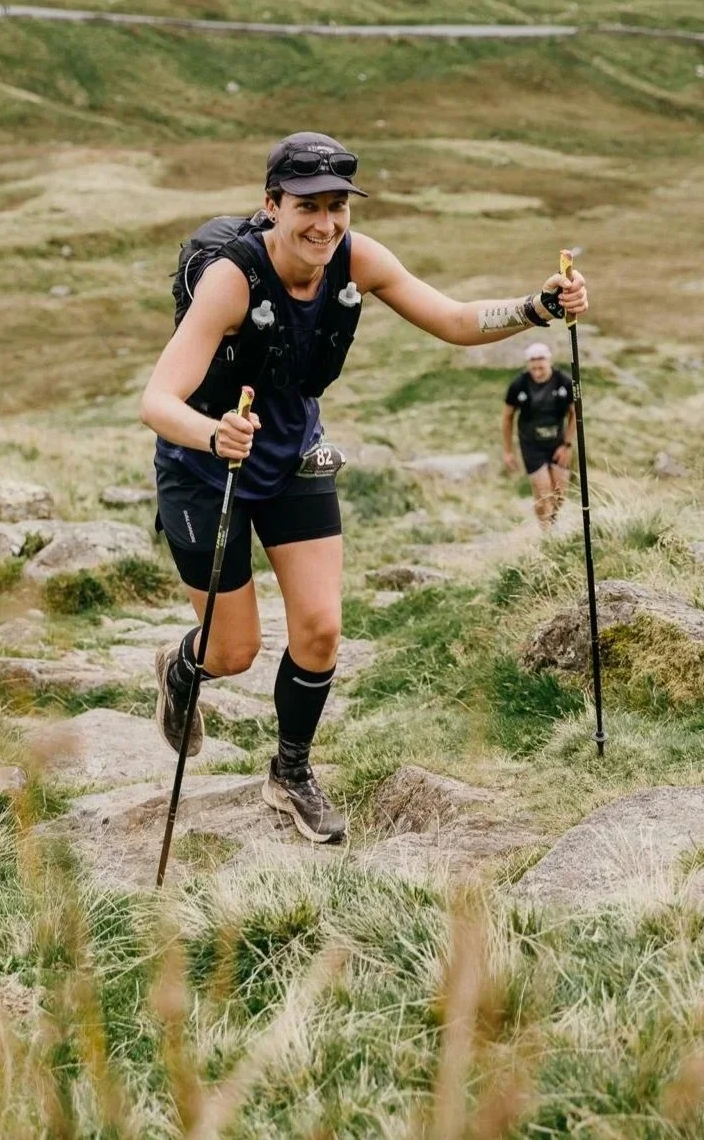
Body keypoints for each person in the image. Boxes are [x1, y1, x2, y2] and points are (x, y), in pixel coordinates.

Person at [139, 131, 588, 844]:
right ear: (271, 205)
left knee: (319, 629)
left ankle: (289, 774)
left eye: (336, 205)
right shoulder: (232, 277)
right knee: (234, 652)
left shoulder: (358, 257)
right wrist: (212, 432)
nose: (323, 222)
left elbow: (452, 318)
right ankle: (182, 666)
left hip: (291, 459)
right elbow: (158, 398)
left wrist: (535, 307)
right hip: (205, 468)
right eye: (306, 205)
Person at [502, 342, 576, 530]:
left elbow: (576, 413)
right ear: (528, 365)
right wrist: (508, 451)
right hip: (531, 444)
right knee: (544, 493)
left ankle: (552, 520)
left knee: (559, 493)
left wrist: (567, 444)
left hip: (558, 442)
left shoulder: (564, 382)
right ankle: (547, 534)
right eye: (533, 367)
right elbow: (507, 416)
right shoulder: (519, 384)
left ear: (549, 362)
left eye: (541, 366)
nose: (537, 371)